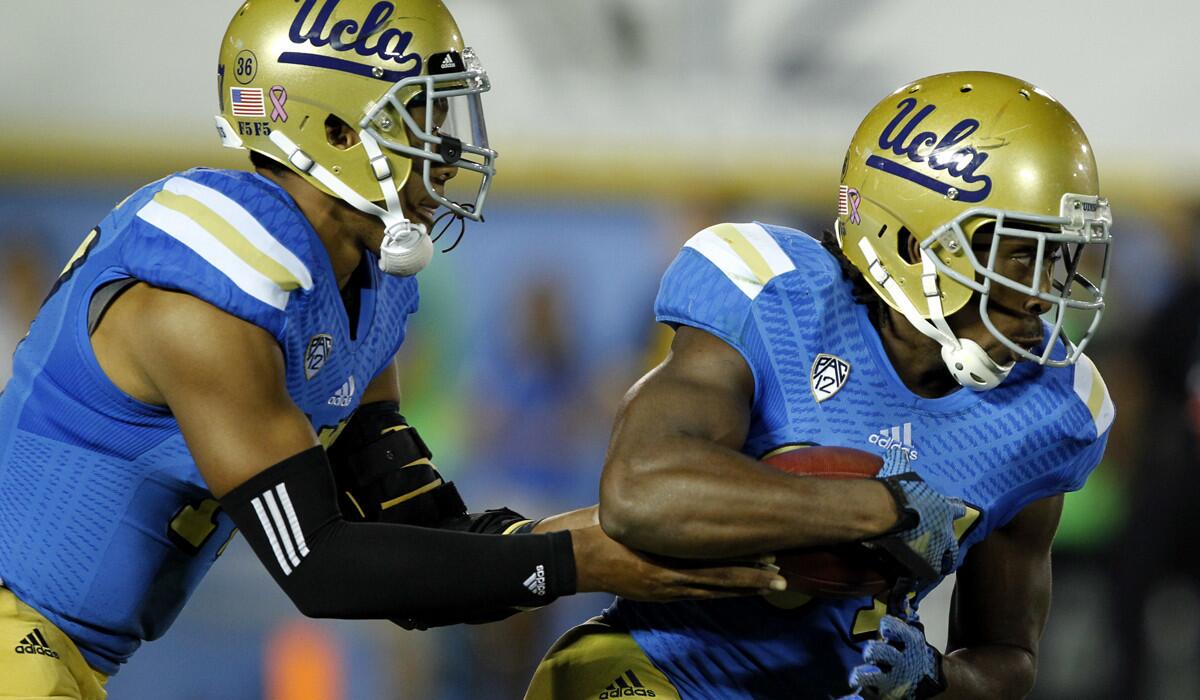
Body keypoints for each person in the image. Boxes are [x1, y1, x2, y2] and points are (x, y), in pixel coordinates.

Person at [0, 2, 785, 698]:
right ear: (335, 131)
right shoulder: (209, 300)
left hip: (63, 652)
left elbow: (419, 536)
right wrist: (578, 562)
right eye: (420, 119)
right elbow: (320, 567)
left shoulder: (363, 283)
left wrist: (636, 532)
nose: (445, 152)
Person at [525, 71, 1114, 700]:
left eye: (1057, 259)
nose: (1044, 293)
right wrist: (884, 510)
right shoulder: (776, 300)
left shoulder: (1047, 409)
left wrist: (937, 679)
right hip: (661, 672)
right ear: (913, 246)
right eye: (1020, 255)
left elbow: (1009, 655)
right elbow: (638, 491)